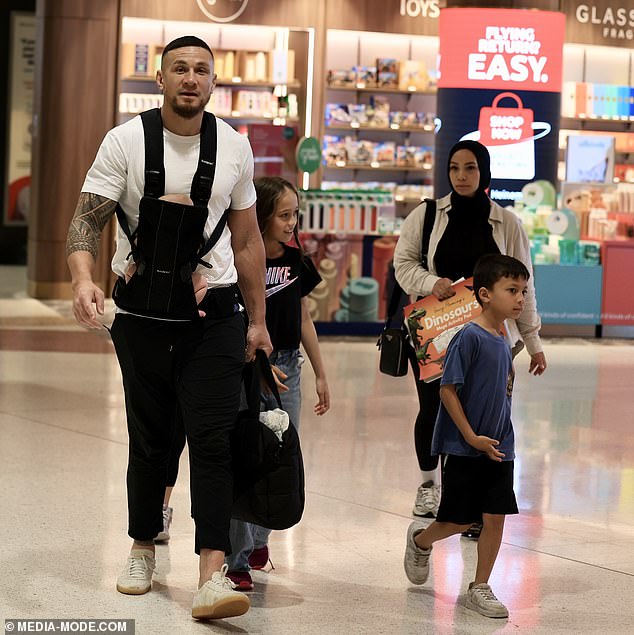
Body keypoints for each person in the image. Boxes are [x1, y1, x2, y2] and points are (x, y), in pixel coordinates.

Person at [65, 35, 272, 620]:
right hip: (140, 318)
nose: (189, 78)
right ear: (160, 79)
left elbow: (249, 237)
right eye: (178, 68)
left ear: (213, 82)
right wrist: (84, 280)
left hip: (216, 318)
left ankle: (211, 572)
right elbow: (86, 221)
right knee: (150, 438)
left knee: (212, 439)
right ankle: (141, 548)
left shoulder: (234, 146)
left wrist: (258, 319)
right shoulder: (125, 140)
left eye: (200, 70)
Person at [393, 140, 546, 526]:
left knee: (481, 417)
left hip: (489, 339)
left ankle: (472, 503)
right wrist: (431, 282)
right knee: (433, 408)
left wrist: (533, 341)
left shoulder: (506, 224)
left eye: (471, 168)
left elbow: (523, 285)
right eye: (455, 168)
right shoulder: (426, 216)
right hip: (434, 336)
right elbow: (403, 265)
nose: (462, 176)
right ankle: (430, 486)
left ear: (484, 173)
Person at [404, 253, 531, 619]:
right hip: (464, 445)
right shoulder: (469, 337)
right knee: (459, 520)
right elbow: (447, 390)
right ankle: (420, 540)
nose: (520, 298)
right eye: (512, 290)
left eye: (523, 290)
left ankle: (480, 586)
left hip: (499, 446)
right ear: (486, 294)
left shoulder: (504, 337)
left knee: (495, 516)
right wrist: (471, 437)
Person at [226, 176, 331, 590]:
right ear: (263, 215)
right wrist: (259, 361)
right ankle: (235, 561)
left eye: (295, 215)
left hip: (291, 366)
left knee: (281, 456)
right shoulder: (241, 260)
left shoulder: (296, 258)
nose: (291, 223)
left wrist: (321, 372)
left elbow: (303, 317)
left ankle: (258, 541)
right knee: (248, 455)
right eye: (284, 215)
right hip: (252, 367)